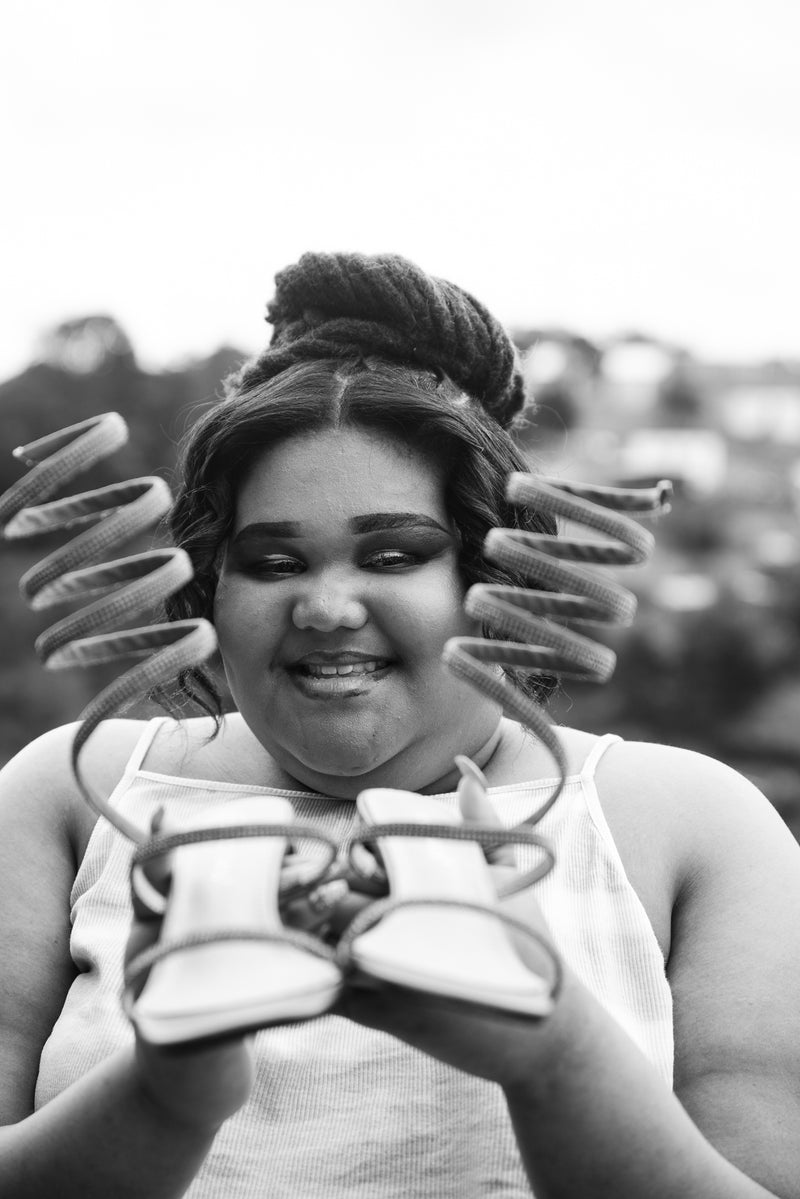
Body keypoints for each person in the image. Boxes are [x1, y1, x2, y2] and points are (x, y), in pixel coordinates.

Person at [1, 251, 799, 1199]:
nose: (327, 606)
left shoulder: (691, 821)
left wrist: (552, 1050)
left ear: (491, 578)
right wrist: (171, 1092)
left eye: (393, 552)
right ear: (215, 584)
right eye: (271, 559)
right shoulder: (71, 796)